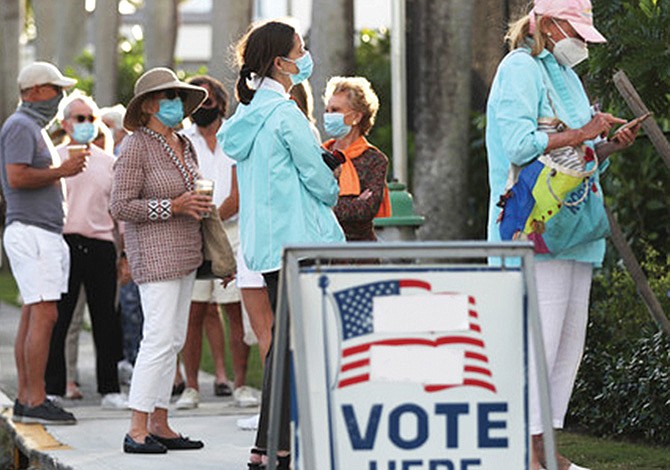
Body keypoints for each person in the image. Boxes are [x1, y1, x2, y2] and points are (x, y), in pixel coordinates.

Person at [485, 1, 640, 469]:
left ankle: (544, 449)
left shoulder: (564, 74)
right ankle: (528, 453)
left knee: (567, 345)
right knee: (541, 341)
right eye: (575, 30)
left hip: (574, 224)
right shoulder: (519, 68)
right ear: (548, 25)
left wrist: (607, 142)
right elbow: (518, 144)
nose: (581, 43)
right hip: (534, 227)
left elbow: (578, 156)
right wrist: (584, 133)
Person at [219, 19, 345, 468]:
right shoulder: (287, 114)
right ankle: (271, 446)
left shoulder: (246, 117)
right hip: (304, 242)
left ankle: (270, 444)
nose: (305, 53)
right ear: (280, 62)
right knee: (292, 345)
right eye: (300, 47)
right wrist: (330, 173)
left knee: (285, 343)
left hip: (267, 246)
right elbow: (319, 181)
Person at [110, 67, 210, 454]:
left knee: (173, 339)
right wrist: (173, 205)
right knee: (157, 339)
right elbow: (120, 205)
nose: (176, 104)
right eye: (168, 97)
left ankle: (160, 422)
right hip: (154, 255)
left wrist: (195, 205)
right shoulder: (135, 145)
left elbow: (193, 194)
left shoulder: (184, 142)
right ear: (149, 104)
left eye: (178, 97)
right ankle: (136, 429)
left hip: (186, 251)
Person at [0, 61, 83, 425]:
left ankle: (26, 397)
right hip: (33, 231)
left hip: (37, 230)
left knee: (35, 313)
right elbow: (16, 177)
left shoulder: (31, 127)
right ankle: (35, 398)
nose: (59, 97)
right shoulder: (21, 126)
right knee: (45, 314)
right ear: (34, 91)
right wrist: (61, 171)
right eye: (54, 89)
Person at [175, 74, 259, 410]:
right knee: (193, 311)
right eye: (195, 102)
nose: (201, 107)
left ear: (220, 103)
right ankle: (191, 387)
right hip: (193, 232)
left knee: (235, 308)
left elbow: (238, 195)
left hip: (233, 233)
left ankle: (240, 384)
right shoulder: (182, 139)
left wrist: (214, 221)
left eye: (206, 101)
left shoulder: (234, 135)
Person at [44, 93, 127, 410]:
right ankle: (54, 388)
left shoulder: (110, 162)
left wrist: (125, 255)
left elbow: (118, 213)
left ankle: (110, 389)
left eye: (91, 118)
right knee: (60, 319)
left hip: (101, 244)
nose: (86, 124)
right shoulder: (55, 159)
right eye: (79, 118)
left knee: (106, 319)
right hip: (63, 244)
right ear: (65, 123)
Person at [322, 76, 391, 241]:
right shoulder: (320, 154)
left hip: (359, 253)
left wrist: (325, 208)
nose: (329, 116)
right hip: (322, 251)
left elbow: (365, 210)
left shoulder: (374, 159)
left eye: (336, 110)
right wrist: (352, 203)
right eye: (327, 110)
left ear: (356, 117)